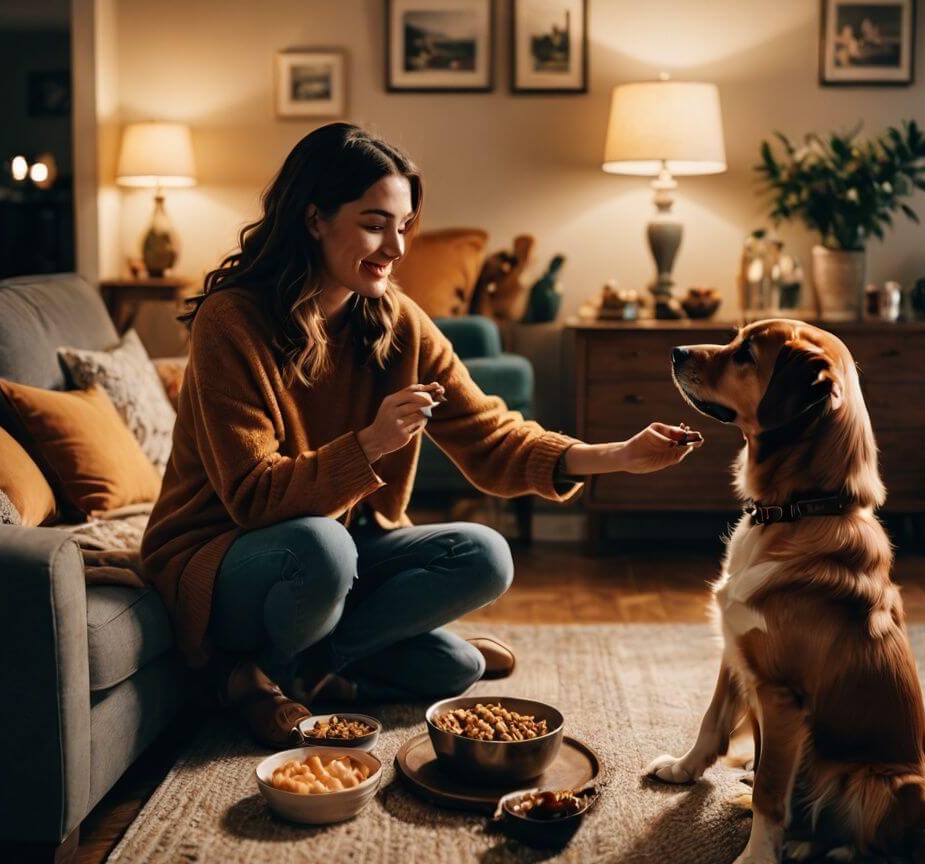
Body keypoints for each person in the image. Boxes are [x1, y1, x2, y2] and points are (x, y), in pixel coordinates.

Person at [140, 123, 703, 746]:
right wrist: (371, 445)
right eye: (376, 223)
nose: (397, 248)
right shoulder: (232, 322)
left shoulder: (395, 320)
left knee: (479, 578)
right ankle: (239, 680)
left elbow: (490, 435)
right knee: (326, 551)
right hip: (227, 555)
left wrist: (617, 456)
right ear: (313, 218)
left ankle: (304, 670)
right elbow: (251, 498)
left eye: (404, 226)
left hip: (341, 552)